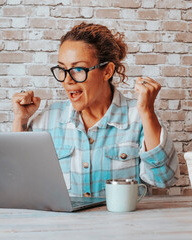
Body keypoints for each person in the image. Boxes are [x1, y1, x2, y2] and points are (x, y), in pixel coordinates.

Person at [12, 22, 178, 197]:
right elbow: (19, 183)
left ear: (107, 71)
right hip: (63, 225)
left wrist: (148, 111)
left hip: (125, 224)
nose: (67, 80)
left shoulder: (139, 117)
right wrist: (20, 120)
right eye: (62, 69)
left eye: (78, 69)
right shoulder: (46, 120)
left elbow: (164, 179)